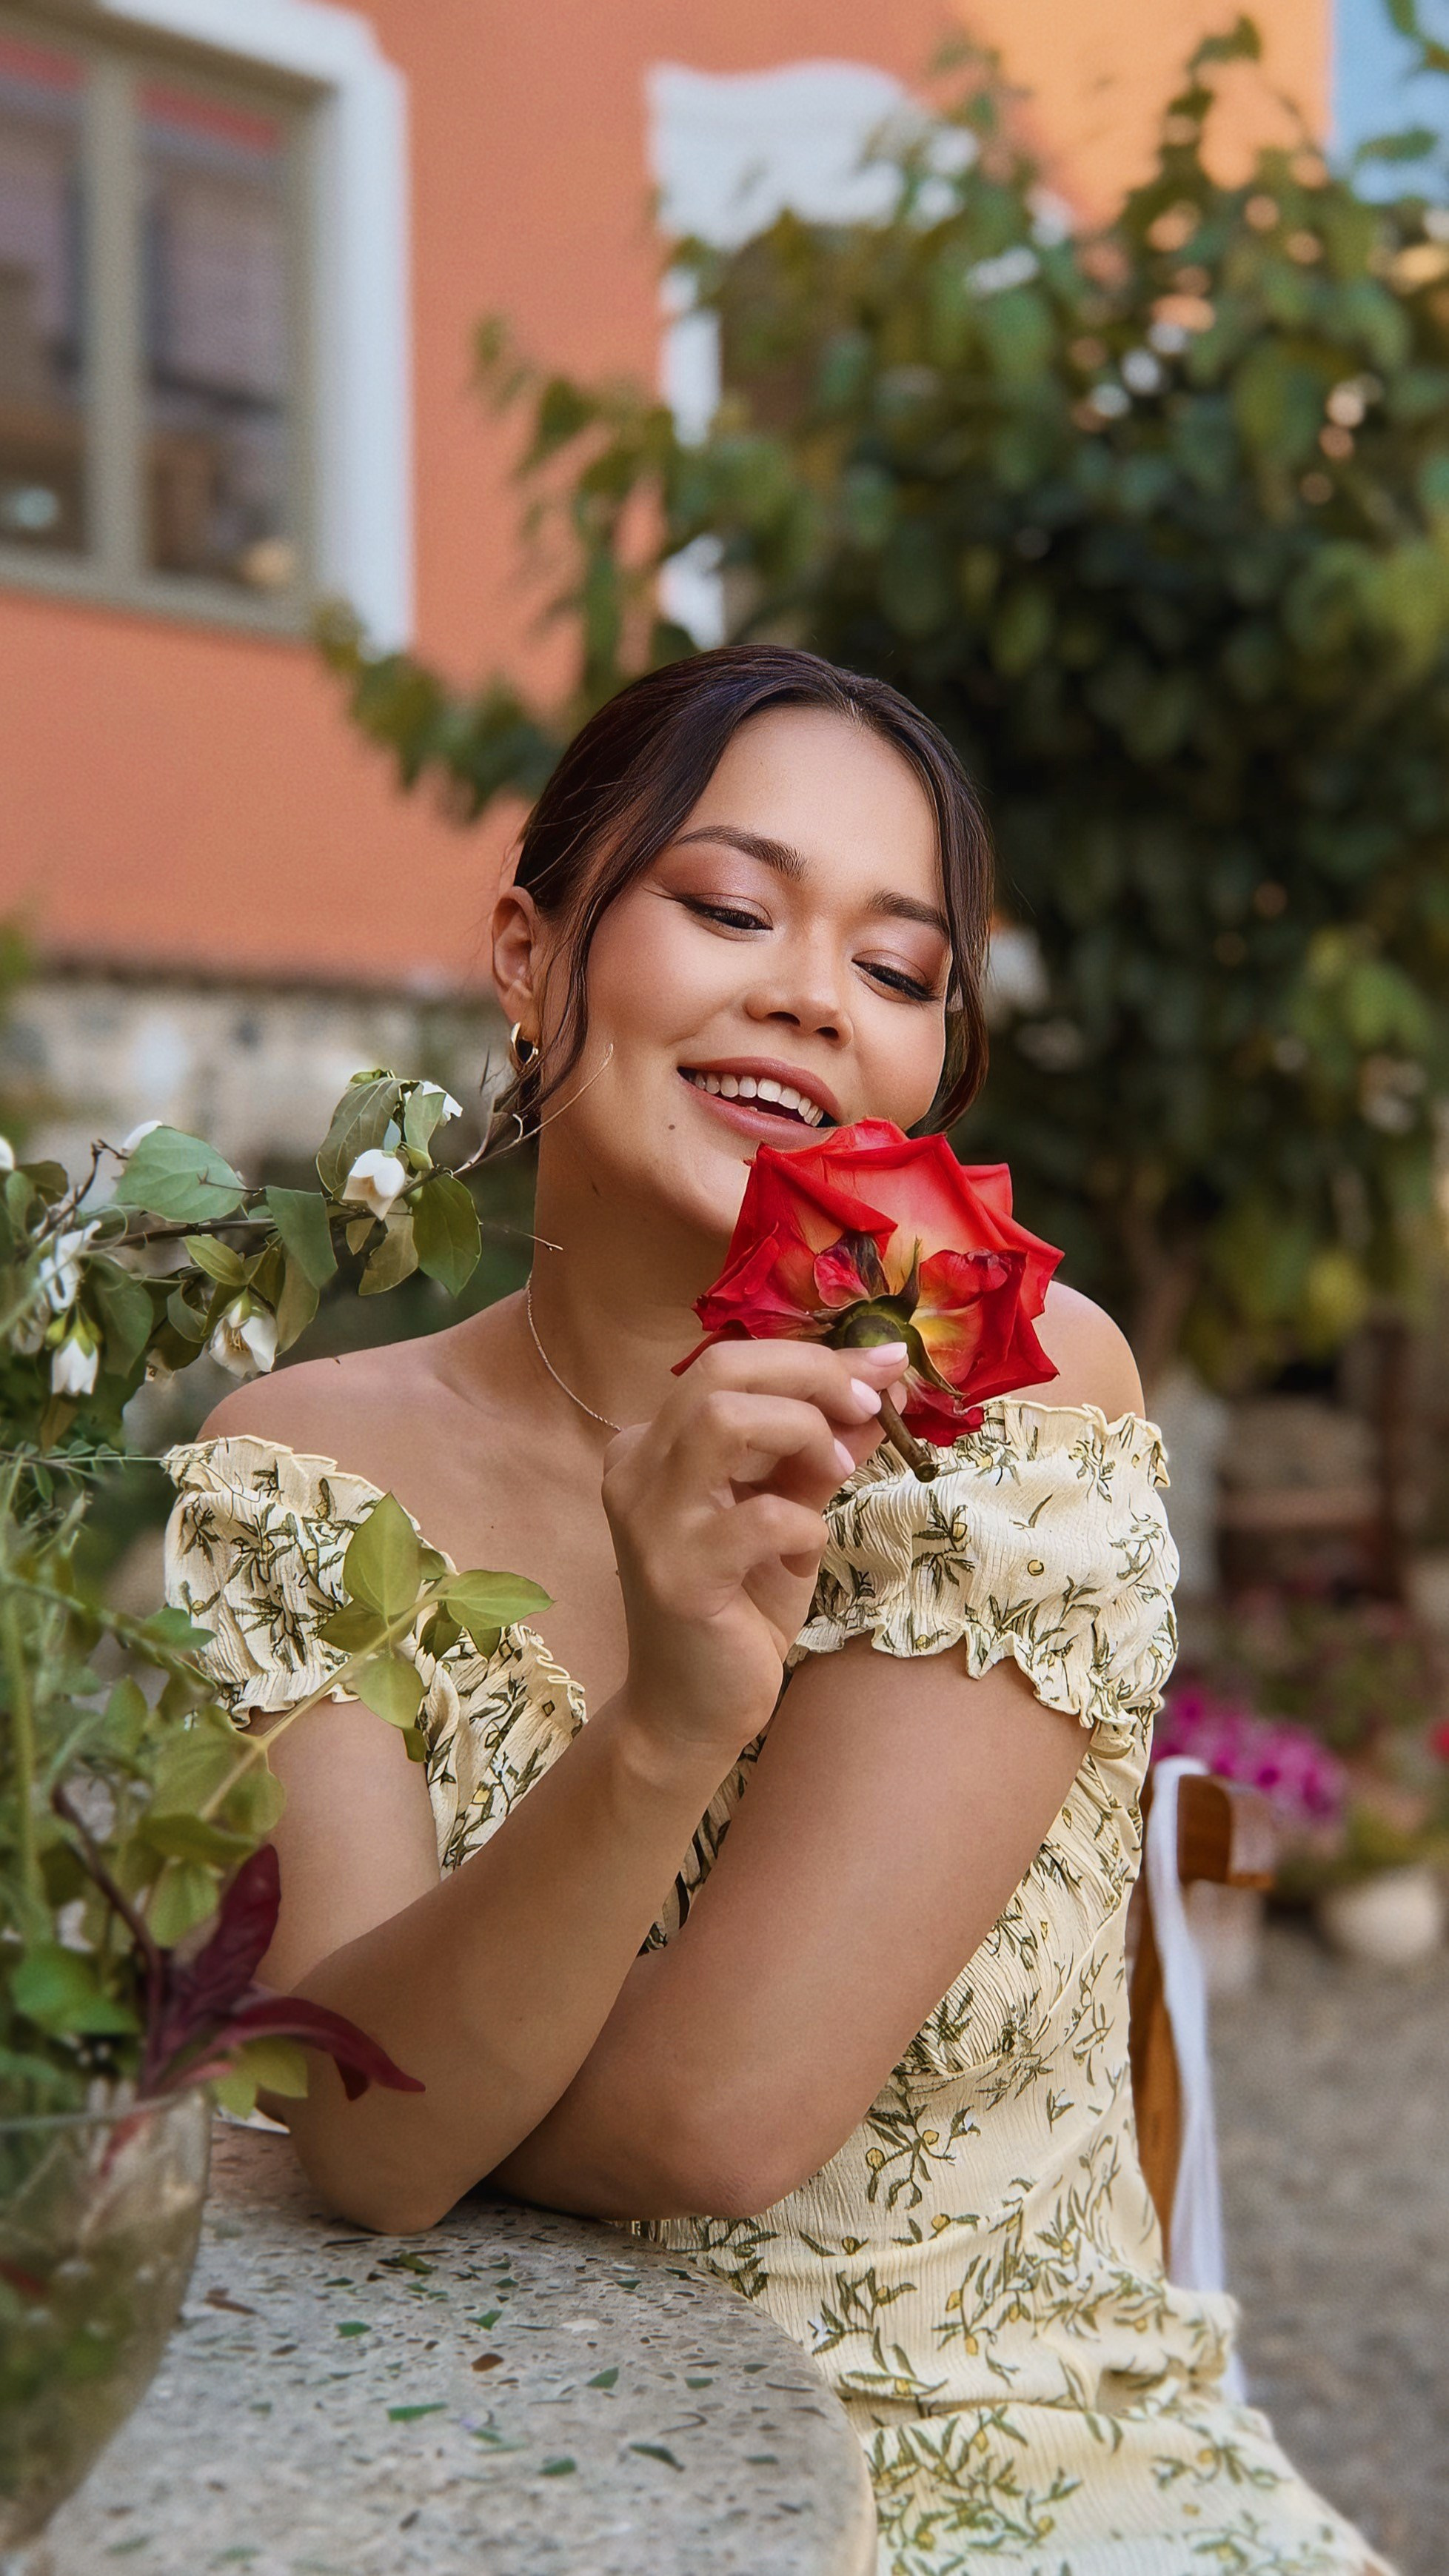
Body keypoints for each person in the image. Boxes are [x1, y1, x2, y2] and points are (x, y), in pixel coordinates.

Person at [166, 646, 1389, 2576]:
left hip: (1006, 2487)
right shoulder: (304, 1474)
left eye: (900, 973)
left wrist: (409, 2102)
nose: (812, 996)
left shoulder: (999, 1385)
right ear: (529, 955)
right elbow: (383, 2147)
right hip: (479, 2478)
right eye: (729, 907)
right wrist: (662, 1727)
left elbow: (700, 2124)